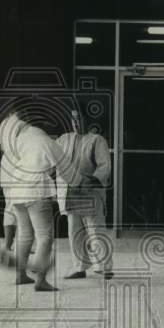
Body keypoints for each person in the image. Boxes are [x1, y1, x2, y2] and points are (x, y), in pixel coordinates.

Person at [0, 106, 63, 292]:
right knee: (45, 237)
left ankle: (20, 275)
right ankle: (41, 280)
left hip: (17, 189)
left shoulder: (17, 140)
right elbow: (61, 166)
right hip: (35, 189)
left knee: (25, 235)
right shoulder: (44, 140)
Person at [56, 109, 113, 279]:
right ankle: (79, 267)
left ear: (87, 120)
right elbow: (51, 156)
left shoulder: (96, 140)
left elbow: (105, 166)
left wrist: (92, 180)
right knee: (74, 232)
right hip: (69, 192)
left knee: (96, 230)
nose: (75, 122)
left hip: (90, 192)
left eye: (79, 118)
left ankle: (105, 267)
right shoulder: (64, 139)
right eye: (72, 119)